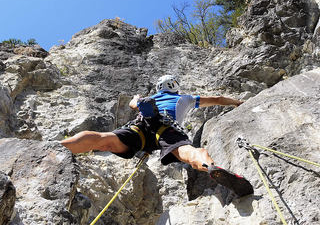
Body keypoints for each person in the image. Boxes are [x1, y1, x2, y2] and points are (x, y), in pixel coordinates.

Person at [61, 75, 253, 197]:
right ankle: (210, 167)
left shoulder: (155, 97)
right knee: (187, 152)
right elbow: (218, 100)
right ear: (174, 86)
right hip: (167, 128)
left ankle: (58, 148)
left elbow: (132, 104)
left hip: (140, 128)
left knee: (103, 141)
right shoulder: (183, 98)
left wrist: (137, 101)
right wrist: (237, 102)